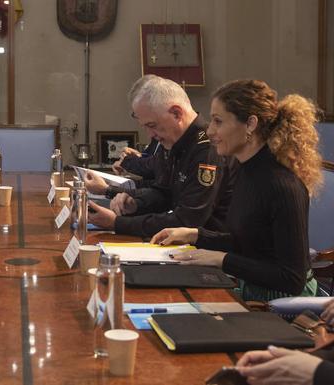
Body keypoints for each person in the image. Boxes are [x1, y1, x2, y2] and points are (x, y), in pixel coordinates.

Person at [151, 79, 322, 301]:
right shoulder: (245, 169)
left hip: (282, 303)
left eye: (218, 121)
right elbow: (248, 241)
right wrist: (194, 234)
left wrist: (221, 259)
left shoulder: (282, 185)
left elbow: (292, 279)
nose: (210, 131)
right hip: (251, 286)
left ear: (250, 124)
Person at [88, 75, 235, 238]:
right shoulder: (172, 140)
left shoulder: (207, 149)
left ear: (177, 114)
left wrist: (116, 223)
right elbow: (163, 192)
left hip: (206, 248)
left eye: (152, 125)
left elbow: (188, 220)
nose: (150, 134)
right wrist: (136, 204)